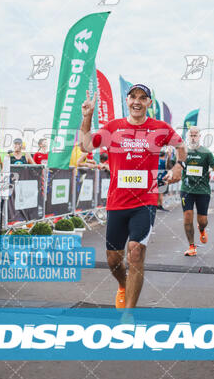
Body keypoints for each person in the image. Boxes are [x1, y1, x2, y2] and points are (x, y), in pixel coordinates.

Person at [79, 84, 186, 309]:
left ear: (148, 103)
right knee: (113, 259)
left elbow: (181, 145)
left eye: (143, 97)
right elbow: (86, 146)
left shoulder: (159, 127)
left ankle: (128, 315)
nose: (137, 101)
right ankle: (122, 284)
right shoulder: (113, 127)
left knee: (135, 251)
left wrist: (179, 165)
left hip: (145, 202)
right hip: (117, 201)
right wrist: (87, 117)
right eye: (133, 96)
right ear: (127, 101)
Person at [180, 126, 214, 257]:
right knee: (187, 216)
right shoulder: (183, 151)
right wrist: (169, 158)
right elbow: (173, 166)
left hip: (203, 190)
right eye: (191, 135)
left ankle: (202, 229)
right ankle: (192, 246)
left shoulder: (206, 153)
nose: (193, 137)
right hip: (187, 189)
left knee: (202, 220)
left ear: (199, 136)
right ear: (188, 137)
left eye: (195, 135)